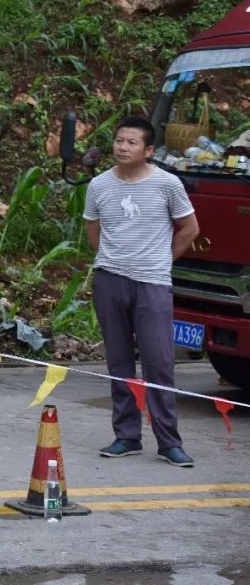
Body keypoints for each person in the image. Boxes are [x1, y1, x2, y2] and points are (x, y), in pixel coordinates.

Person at [84, 116, 199, 467]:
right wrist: (110, 258)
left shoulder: (168, 184)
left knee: (158, 363)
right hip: (109, 280)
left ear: (148, 150)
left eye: (131, 142)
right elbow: (93, 230)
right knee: (119, 361)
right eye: (119, 140)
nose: (122, 147)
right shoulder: (99, 185)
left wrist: (161, 260)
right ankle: (127, 436)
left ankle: (168, 442)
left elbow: (190, 229)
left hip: (153, 283)